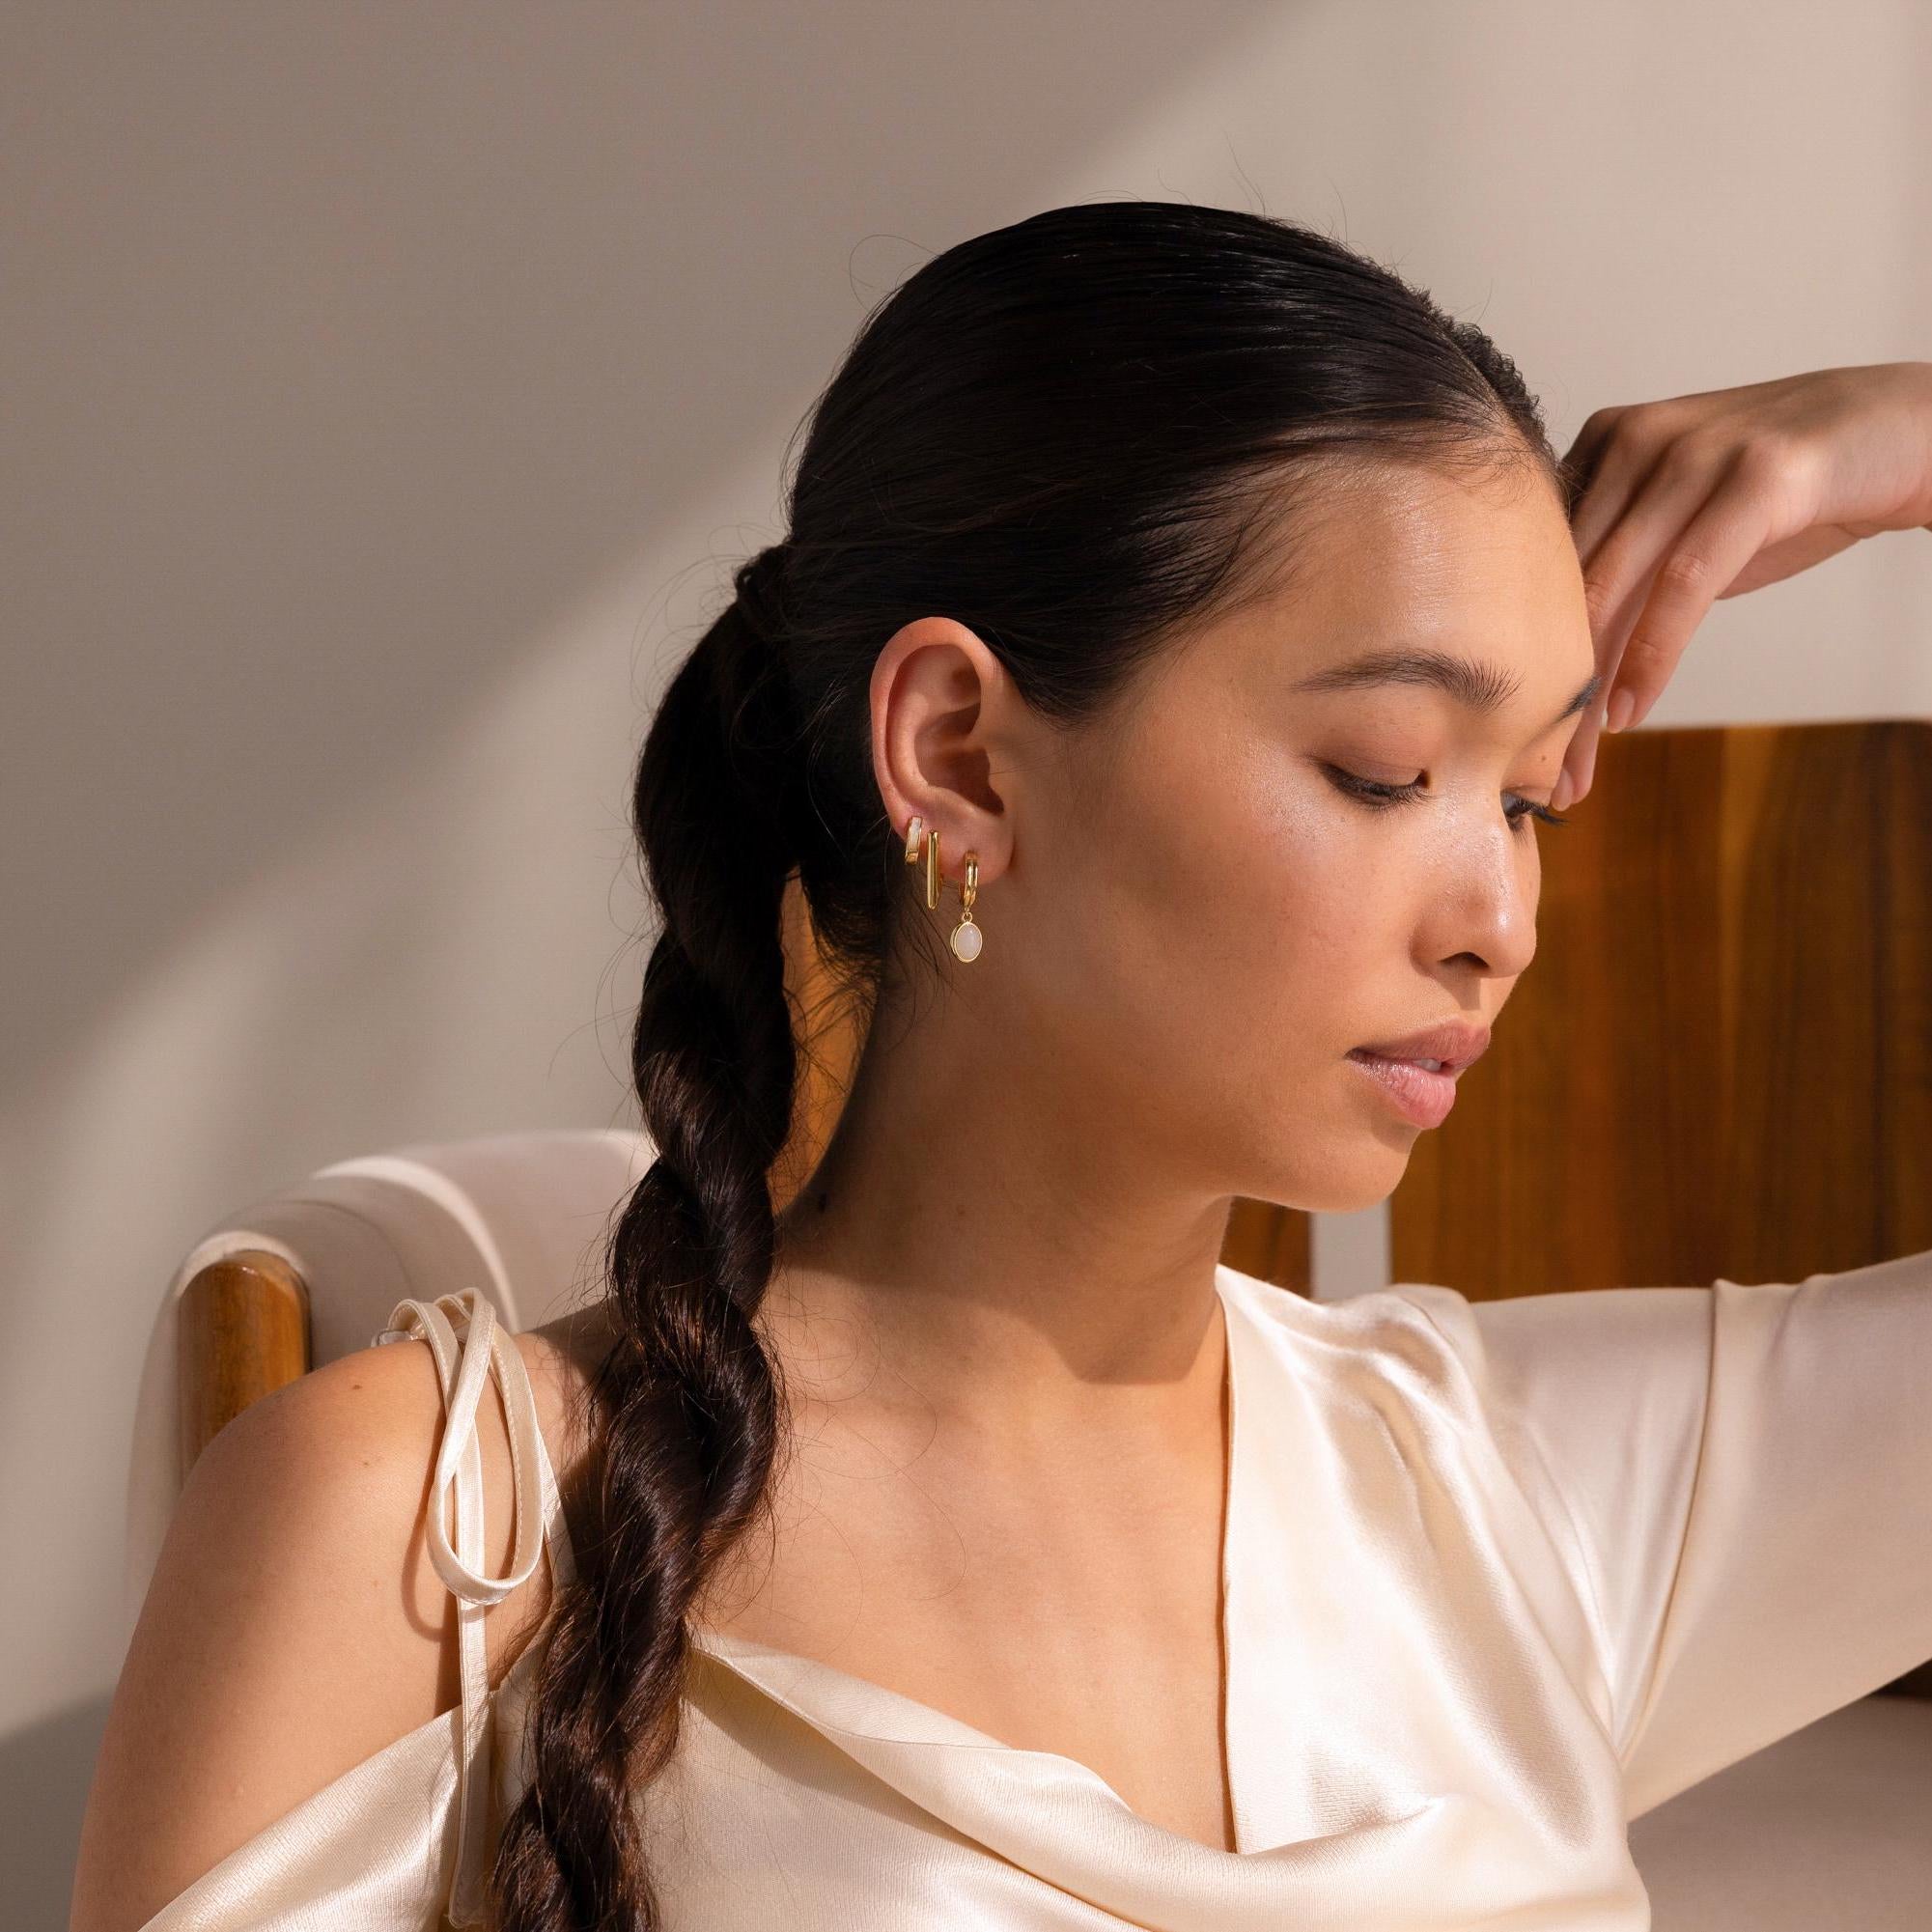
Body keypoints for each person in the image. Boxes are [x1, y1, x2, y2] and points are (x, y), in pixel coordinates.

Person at [70, 201, 1932, 1932]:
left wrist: (1904, 432)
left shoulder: (1520, 1491)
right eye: (1384, 770)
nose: (1496, 917)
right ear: (959, 751)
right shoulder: (425, 1522)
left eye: (1524, 798)